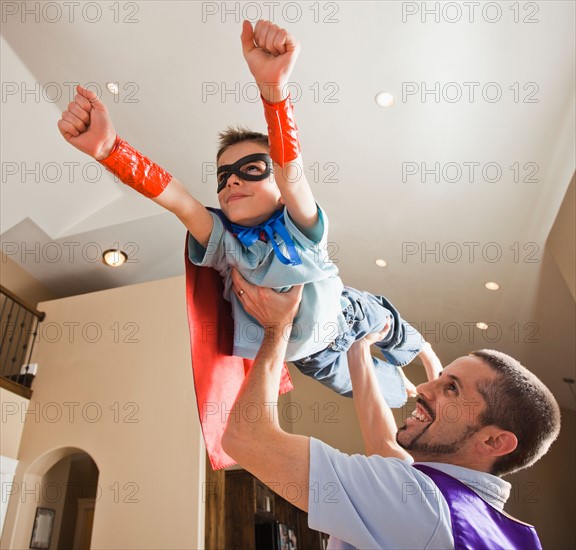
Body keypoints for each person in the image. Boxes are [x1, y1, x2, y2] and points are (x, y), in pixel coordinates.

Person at [57, 20, 441, 408]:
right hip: (312, 354)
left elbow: (292, 172)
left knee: (386, 322)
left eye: (252, 169)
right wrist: (111, 151)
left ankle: (427, 357)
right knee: (381, 393)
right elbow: (180, 202)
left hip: (346, 314)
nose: (232, 183)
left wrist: (274, 92)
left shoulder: (302, 230)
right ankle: (409, 388)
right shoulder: (225, 248)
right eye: (223, 178)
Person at [222, 268, 561, 549]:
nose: (424, 389)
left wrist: (276, 329)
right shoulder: (478, 517)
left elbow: (247, 439)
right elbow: (385, 447)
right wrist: (358, 351)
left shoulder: (426, 508)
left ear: (493, 442)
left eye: (452, 389)